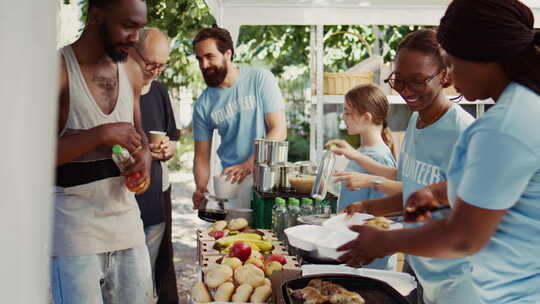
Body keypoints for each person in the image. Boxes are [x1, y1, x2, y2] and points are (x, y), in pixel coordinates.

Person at [338, 1, 540, 303]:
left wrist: (384, 242)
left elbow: (463, 237)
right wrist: (441, 193)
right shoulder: (525, 107)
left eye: (454, 63)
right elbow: (506, 187)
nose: (453, 75)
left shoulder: (502, 127)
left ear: (483, 57)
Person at [335, 29, 479, 304]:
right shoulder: (416, 121)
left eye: (417, 81)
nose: (405, 90)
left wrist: (387, 242)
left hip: (459, 282)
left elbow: (467, 224)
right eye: (398, 80)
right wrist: (366, 208)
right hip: (419, 266)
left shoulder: (465, 135)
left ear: (445, 77)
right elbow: (415, 193)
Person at [53, 0, 153, 303]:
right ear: (97, 17)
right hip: (74, 234)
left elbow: (140, 137)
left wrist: (144, 158)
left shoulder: (133, 71)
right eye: (128, 26)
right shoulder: (58, 69)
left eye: (140, 27)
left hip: (128, 227)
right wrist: (101, 134)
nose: (136, 38)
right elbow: (30, 158)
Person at [191, 25, 287, 209]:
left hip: (269, 178)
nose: (204, 65)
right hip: (233, 182)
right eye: (199, 59)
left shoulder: (260, 79)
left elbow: (279, 130)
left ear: (227, 53)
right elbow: (201, 157)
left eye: (210, 57)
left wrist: (248, 164)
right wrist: (200, 188)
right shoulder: (203, 104)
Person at [130, 28, 179, 303]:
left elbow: (171, 137)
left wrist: (168, 148)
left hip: (155, 198)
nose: (156, 71)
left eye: (162, 65)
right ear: (133, 52)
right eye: (151, 64)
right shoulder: (118, 89)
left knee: (149, 275)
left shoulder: (159, 91)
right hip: (126, 198)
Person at [330, 84, 399, 212]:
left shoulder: (379, 157)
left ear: (366, 118)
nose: (342, 117)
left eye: (347, 113)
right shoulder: (362, 151)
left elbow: (382, 213)